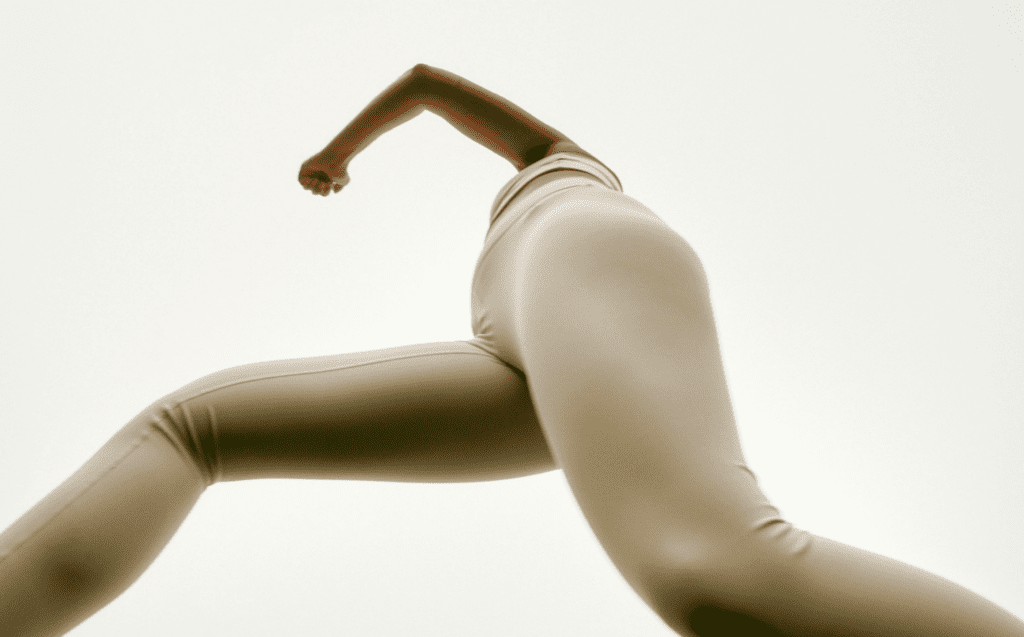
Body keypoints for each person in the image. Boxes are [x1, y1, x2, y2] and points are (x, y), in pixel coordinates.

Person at [0, 63, 1021, 637]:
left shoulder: (560, 170)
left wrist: (339, 151)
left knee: (714, 568)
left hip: (587, 259)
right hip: (516, 349)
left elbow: (429, 82)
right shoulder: (532, 241)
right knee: (193, 427)